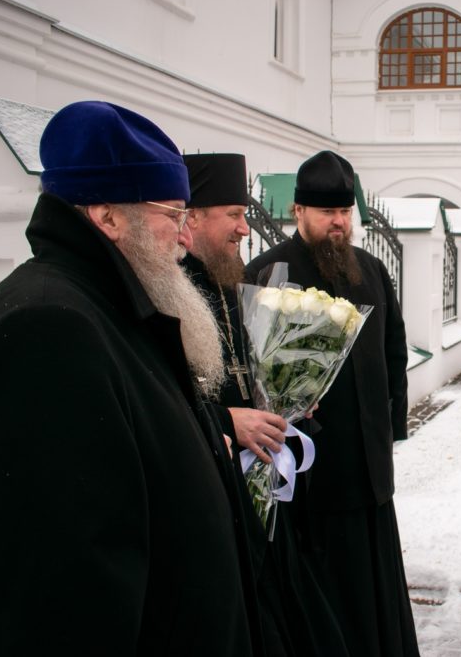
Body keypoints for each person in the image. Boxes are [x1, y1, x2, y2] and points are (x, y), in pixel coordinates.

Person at [0, 101, 262, 655]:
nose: (184, 238)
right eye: (172, 215)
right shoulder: (46, 334)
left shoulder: (106, 310)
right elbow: (50, 606)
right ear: (107, 216)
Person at [244, 151, 418, 656]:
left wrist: (391, 429)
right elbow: (254, 374)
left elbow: (394, 350)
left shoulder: (371, 269)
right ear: (298, 212)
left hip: (370, 472)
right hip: (311, 481)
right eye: (327, 213)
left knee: (376, 596)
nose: (339, 224)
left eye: (345, 212)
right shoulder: (270, 273)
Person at [182, 152, 348, 656]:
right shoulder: (173, 293)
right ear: (191, 219)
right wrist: (226, 419)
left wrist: (290, 401)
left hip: (263, 498)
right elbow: (160, 397)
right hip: (213, 504)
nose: (243, 228)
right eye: (233, 214)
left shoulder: (229, 283)